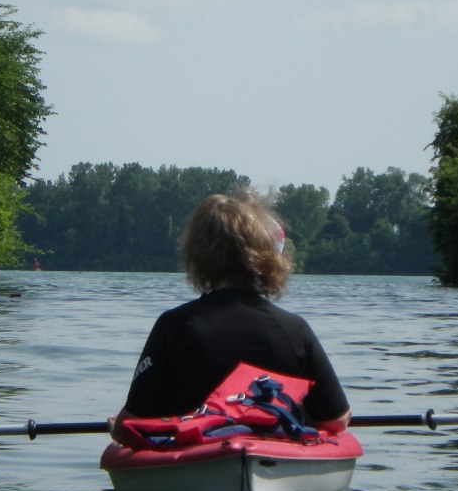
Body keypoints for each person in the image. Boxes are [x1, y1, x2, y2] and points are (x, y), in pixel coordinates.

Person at [109, 190, 351, 446]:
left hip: (196, 457)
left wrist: (116, 428)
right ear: (266, 255)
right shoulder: (295, 330)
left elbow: (130, 424)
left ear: (197, 254)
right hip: (274, 454)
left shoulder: (173, 326)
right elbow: (335, 421)